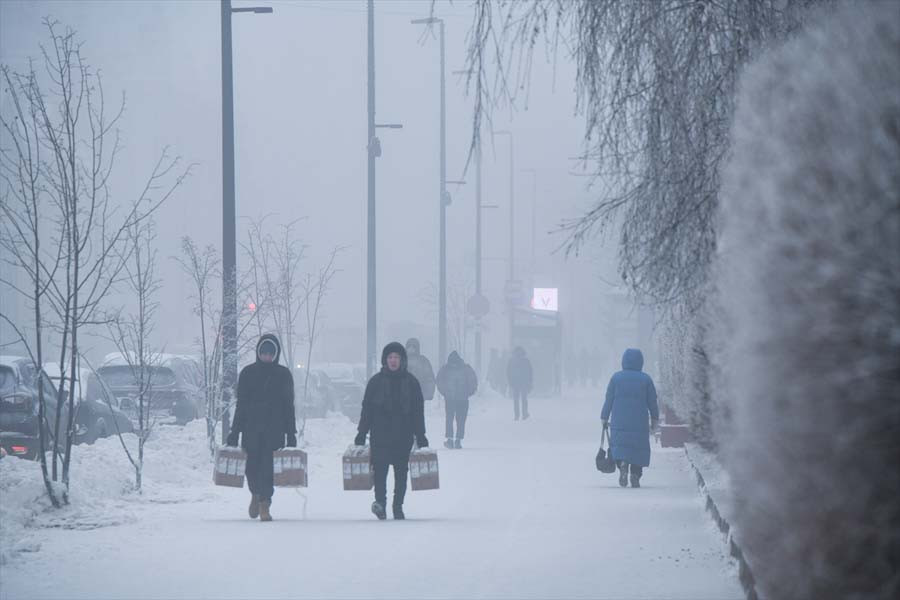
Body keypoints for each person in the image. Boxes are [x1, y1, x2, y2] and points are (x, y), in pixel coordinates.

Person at [226, 333, 297, 522]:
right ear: (258, 352)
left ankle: (265, 503)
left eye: (270, 353)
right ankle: (255, 494)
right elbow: (241, 405)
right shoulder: (248, 373)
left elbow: (289, 406)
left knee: (268, 468)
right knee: (251, 467)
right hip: (251, 429)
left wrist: (291, 434)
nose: (267, 356)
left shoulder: (283, 375)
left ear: (276, 354)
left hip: (274, 430)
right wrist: (234, 432)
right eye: (264, 352)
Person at [355, 342, 428, 520]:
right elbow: (367, 410)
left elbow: (418, 411)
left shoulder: (411, 383)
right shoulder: (375, 382)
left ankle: (398, 507)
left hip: (403, 436)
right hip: (380, 436)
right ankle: (380, 504)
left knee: (401, 473)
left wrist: (421, 435)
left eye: (396, 357)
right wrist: (361, 432)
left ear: (402, 360)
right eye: (390, 357)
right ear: (385, 360)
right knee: (380, 473)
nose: (393, 361)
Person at [601, 348, 660, 488]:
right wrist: (655, 420)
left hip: (619, 421)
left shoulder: (616, 378)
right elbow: (653, 402)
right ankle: (635, 473)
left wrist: (604, 417)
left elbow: (608, 399)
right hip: (639, 422)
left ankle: (622, 464)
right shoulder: (646, 380)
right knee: (638, 448)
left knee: (621, 446)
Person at [436, 351, 478, 449]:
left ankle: (450, 440)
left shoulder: (445, 369)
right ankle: (458, 440)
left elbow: (439, 381)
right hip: (463, 399)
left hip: (450, 398)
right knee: (461, 420)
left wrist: (444, 392)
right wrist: (468, 393)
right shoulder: (466, 368)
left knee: (449, 419)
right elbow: (473, 381)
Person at [506, 346, 533, 421]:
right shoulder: (526, 361)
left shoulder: (511, 361)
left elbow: (508, 372)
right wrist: (530, 383)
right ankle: (524, 414)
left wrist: (510, 382)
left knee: (516, 399)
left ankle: (516, 415)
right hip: (524, 382)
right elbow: (530, 373)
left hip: (515, 383)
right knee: (524, 399)